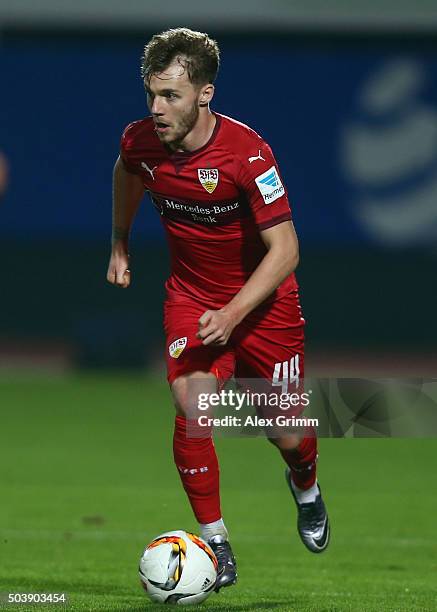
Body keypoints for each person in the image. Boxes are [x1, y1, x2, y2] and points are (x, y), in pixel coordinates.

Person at [107, 27, 330, 591]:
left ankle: (305, 485)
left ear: (204, 94)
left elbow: (287, 251)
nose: (157, 109)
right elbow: (126, 170)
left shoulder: (247, 154)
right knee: (192, 402)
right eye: (152, 95)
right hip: (191, 297)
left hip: (263, 306)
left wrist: (232, 314)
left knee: (286, 432)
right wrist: (119, 242)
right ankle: (216, 542)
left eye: (172, 97)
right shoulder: (141, 141)